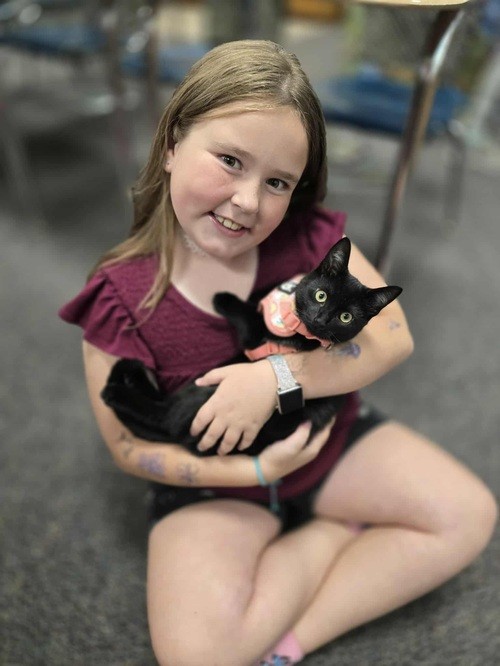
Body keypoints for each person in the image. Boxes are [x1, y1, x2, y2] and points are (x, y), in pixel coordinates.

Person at [59, 40, 497, 666]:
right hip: (215, 480)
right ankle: (331, 535)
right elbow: (127, 447)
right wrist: (256, 473)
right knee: (195, 657)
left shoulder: (307, 237)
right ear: (173, 143)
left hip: (326, 440)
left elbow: (395, 336)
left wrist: (277, 377)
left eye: (277, 182)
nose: (247, 201)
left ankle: (291, 642)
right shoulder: (118, 296)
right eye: (229, 160)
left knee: (467, 516)